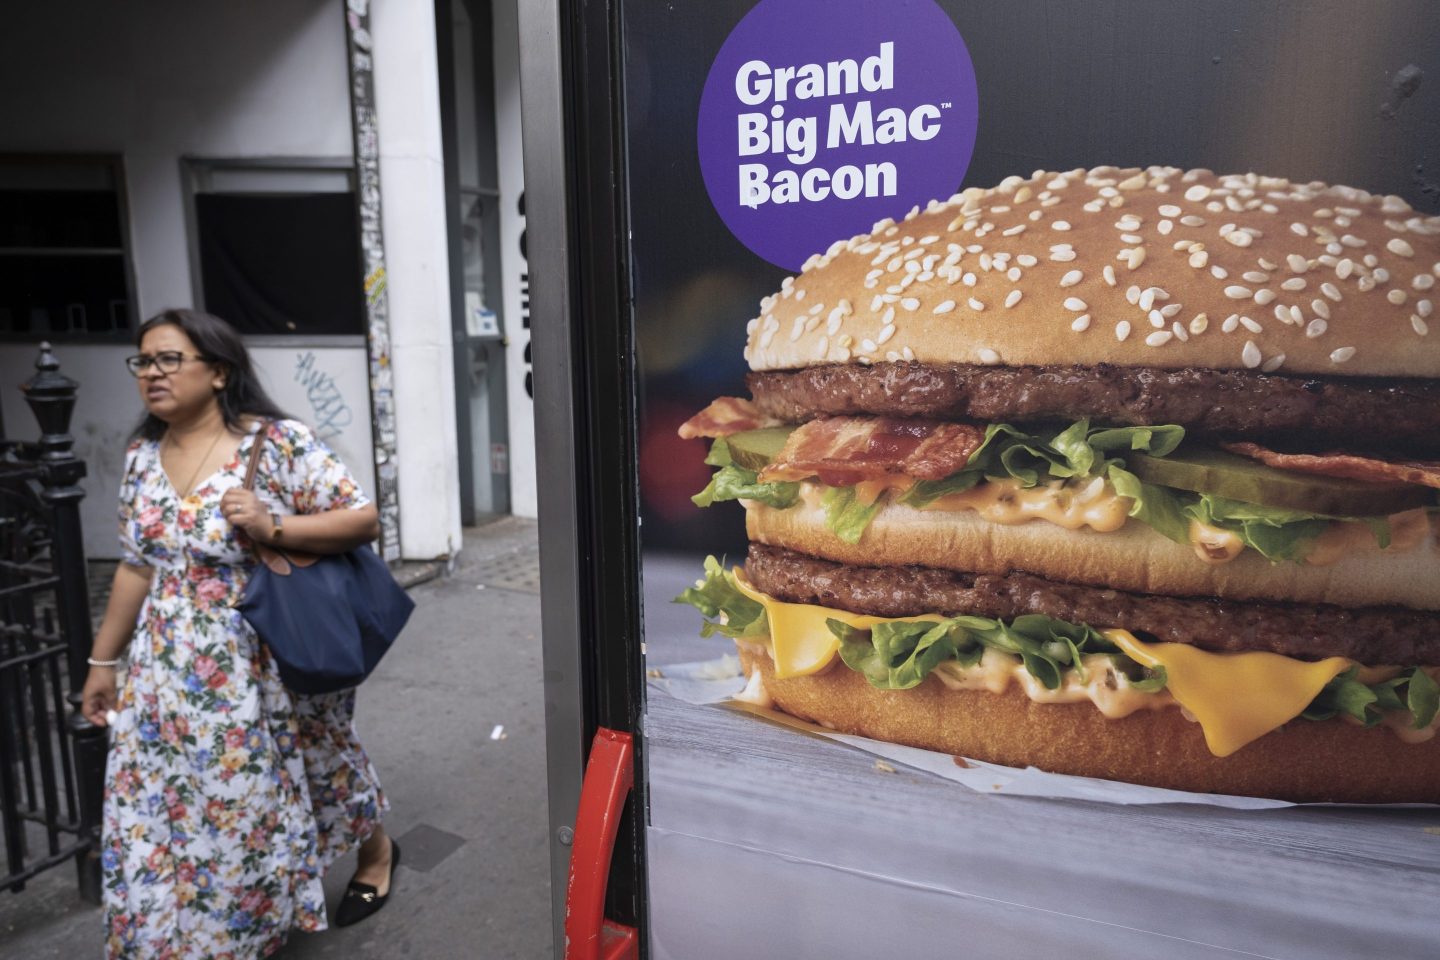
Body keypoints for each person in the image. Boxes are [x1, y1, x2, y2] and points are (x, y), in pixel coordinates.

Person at [81, 309, 400, 958]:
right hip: (163, 664)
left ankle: (373, 853)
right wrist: (101, 661)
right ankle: (196, 930)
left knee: (308, 773)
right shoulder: (142, 456)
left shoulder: (275, 444)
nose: (151, 373)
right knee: (169, 800)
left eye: (169, 359)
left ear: (219, 372)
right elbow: (137, 565)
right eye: (142, 361)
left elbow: (362, 519)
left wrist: (271, 525)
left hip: (262, 651)